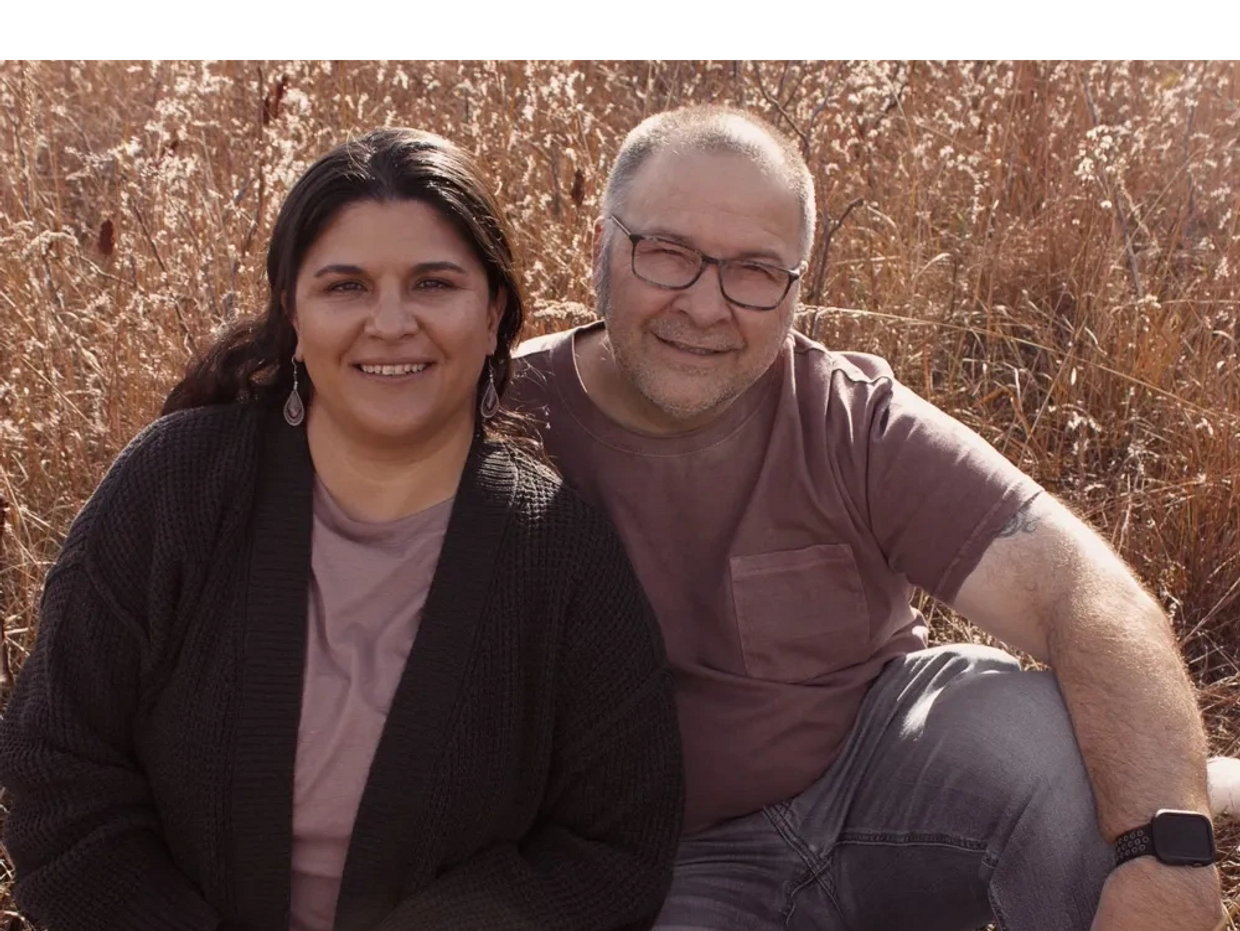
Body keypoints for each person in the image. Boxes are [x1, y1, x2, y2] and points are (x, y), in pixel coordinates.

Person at [508, 106, 1226, 931]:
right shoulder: (502, 421)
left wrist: (1166, 859)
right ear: (599, 243)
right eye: (667, 254)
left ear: (797, 289)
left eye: (753, 270)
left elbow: (1084, 592)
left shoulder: (848, 416)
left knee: (1034, 737)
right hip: (678, 868)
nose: (706, 306)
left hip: (883, 775)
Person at [0, 128, 684, 931]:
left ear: (494, 308)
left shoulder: (562, 555)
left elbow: (616, 847)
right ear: (291, 309)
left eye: (434, 283)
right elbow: (57, 775)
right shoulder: (175, 490)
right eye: (346, 286)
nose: (391, 323)